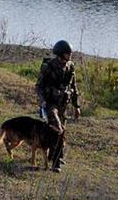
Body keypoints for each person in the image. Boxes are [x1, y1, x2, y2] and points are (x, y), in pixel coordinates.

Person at [35, 40, 81, 172]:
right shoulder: (48, 66)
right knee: (57, 129)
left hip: (63, 104)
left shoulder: (70, 66)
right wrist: (43, 101)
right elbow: (39, 86)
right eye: (68, 53)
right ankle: (56, 162)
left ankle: (56, 156)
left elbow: (73, 87)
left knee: (62, 131)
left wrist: (76, 106)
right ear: (61, 54)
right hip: (50, 103)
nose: (70, 56)